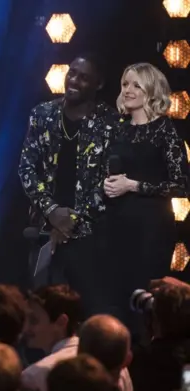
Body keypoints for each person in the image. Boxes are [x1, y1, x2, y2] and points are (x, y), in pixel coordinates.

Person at [18, 54, 121, 316]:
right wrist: (51, 211)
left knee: (92, 310)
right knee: (43, 311)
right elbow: (26, 167)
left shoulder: (110, 123)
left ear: (98, 84)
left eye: (83, 77)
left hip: (91, 235)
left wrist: (71, 221)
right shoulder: (42, 114)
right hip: (44, 230)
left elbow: (110, 181)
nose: (73, 80)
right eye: (72, 73)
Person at [102, 63, 189, 333]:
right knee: (114, 294)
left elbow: (181, 184)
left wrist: (134, 185)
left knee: (142, 295)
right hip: (116, 224)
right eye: (125, 84)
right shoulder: (118, 129)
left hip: (150, 228)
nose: (127, 90)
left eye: (135, 85)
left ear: (151, 92)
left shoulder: (165, 131)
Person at [21, 284, 83, 391]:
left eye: (34, 320)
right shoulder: (102, 360)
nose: (25, 328)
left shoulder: (33, 377)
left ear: (61, 322)